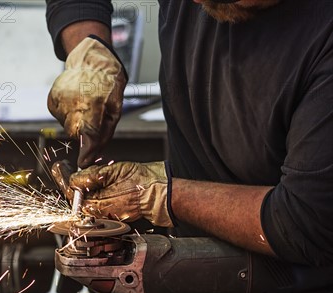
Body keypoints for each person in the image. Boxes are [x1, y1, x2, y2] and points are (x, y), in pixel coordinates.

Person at [46, 0, 333, 267]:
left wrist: (161, 195)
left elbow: (305, 223)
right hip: (190, 256)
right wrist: (89, 51)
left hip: (298, 282)